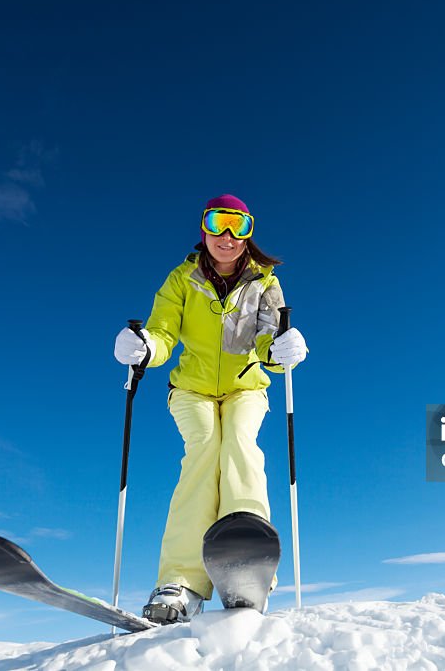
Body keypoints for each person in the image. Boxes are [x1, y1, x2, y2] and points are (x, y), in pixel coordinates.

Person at [113, 194, 307, 624]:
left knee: (239, 443)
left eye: (239, 226)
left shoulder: (265, 282)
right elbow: (163, 332)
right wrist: (145, 346)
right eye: (218, 222)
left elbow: (268, 338)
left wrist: (282, 350)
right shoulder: (182, 279)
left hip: (246, 389)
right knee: (203, 450)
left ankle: (247, 561)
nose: (227, 235)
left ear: (248, 234)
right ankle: (181, 582)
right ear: (204, 229)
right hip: (192, 390)